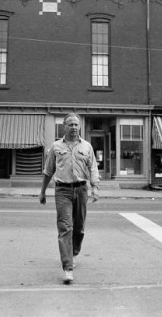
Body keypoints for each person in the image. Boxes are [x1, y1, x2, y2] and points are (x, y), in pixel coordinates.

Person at [39, 113, 100, 284]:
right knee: (65, 227)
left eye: (76, 124)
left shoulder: (87, 146)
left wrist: (95, 187)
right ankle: (67, 267)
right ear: (63, 127)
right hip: (62, 191)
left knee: (79, 228)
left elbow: (93, 167)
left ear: (79, 127)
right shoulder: (56, 146)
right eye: (70, 124)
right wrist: (42, 192)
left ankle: (73, 253)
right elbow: (48, 171)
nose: (73, 127)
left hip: (81, 190)